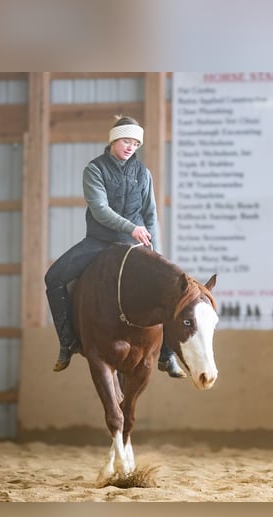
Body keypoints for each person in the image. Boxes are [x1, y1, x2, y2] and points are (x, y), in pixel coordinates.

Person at [44, 115, 185, 378]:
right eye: (126, 141)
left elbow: (150, 215)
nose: (130, 147)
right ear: (113, 140)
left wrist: (156, 251)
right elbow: (99, 210)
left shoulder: (143, 173)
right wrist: (130, 227)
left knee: (168, 286)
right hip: (99, 242)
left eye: (135, 143)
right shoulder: (94, 170)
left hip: (135, 245)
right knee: (53, 278)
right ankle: (67, 343)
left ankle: (167, 355)